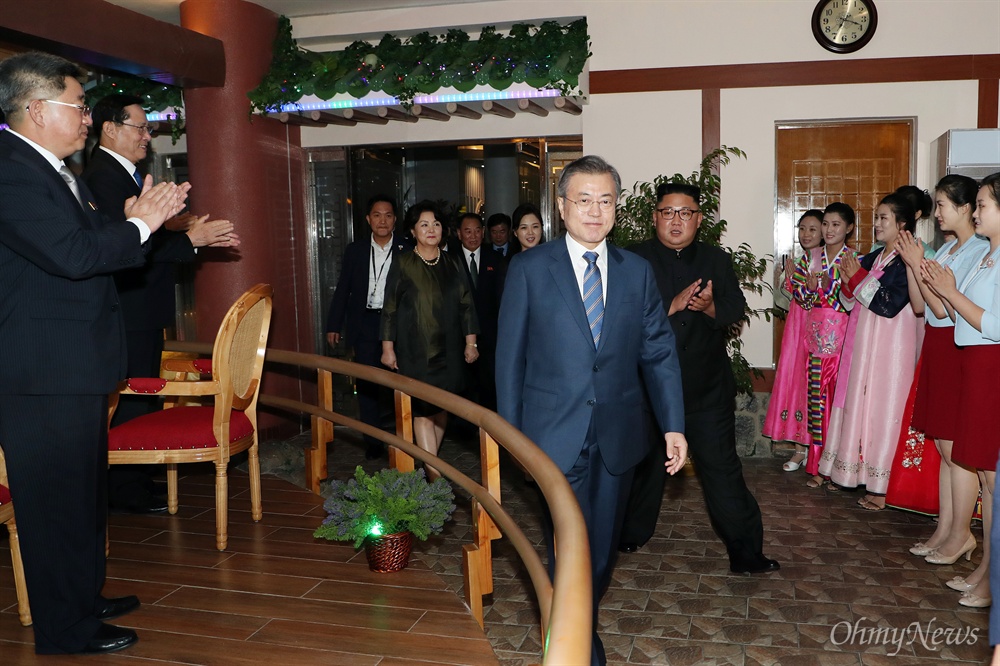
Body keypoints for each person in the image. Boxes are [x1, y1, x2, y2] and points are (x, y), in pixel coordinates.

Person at [0, 51, 187, 654]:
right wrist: (140, 227)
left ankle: (82, 597)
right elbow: (74, 257)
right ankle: (65, 628)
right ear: (35, 110)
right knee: (53, 505)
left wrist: (132, 223)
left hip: (71, 362)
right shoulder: (9, 168)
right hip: (39, 369)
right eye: (77, 106)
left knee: (81, 495)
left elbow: (85, 243)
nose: (87, 117)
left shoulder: (51, 165)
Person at [496, 156, 687, 666]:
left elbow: (659, 352)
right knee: (568, 547)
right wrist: (511, 435)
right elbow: (509, 359)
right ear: (561, 207)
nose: (595, 211)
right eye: (583, 200)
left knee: (600, 554)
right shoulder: (530, 269)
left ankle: (580, 623)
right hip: (553, 435)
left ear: (617, 208)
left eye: (606, 201)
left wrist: (673, 425)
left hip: (618, 437)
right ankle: (577, 644)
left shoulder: (636, 272)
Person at [82, 94, 238, 513]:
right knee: (132, 395)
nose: (147, 137)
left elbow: (145, 237)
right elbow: (128, 244)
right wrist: (189, 240)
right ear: (110, 129)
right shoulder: (103, 178)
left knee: (143, 394)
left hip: (141, 307)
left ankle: (137, 478)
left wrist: (184, 233)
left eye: (148, 129)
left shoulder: (126, 174)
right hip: (126, 307)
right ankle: (123, 489)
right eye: (140, 127)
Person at [621, 181, 778, 575]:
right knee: (643, 468)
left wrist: (708, 308)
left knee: (722, 470)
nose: (676, 221)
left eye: (685, 213)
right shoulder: (631, 259)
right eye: (668, 212)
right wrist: (669, 307)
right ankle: (630, 532)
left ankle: (745, 551)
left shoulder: (716, 259)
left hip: (706, 388)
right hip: (647, 389)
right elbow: (619, 319)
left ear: (699, 219)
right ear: (655, 216)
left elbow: (735, 308)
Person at [921, 172, 1000, 608]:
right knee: (987, 477)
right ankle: (987, 568)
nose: (978, 209)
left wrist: (950, 291)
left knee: (992, 474)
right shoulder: (989, 255)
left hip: (991, 365)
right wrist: (939, 285)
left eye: (984, 203)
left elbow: (993, 323)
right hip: (974, 364)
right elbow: (941, 311)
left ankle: (992, 573)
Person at [891, 176, 986, 536]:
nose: (939, 213)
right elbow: (920, 306)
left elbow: (946, 310)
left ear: (965, 209)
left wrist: (917, 264)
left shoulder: (977, 252)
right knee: (944, 450)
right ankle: (945, 530)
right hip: (936, 343)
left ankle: (957, 534)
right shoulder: (946, 250)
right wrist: (912, 263)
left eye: (945, 205)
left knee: (955, 452)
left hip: (954, 344)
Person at [819, 194, 922, 510]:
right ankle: (861, 474)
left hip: (893, 346)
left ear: (902, 224)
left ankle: (883, 485)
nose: (876, 224)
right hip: (865, 342)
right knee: (863, 404)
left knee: (885, 406)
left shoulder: (907, 260)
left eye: (884, 218)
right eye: (876, 217)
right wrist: (849, 281)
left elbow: (890, 305)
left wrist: (856, 278)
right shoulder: (873, 257)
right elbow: (850, 302)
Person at [381, 201, 478, 480]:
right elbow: (390, 307)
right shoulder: (403, 262)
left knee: (441, 407)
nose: (431, 229)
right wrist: (387, 348)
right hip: (415, 349)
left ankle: (430, 463)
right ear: (413, 231)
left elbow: (466, 305)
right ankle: (435, 474)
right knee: (423, 409)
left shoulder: (452, 262)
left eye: (435, 224)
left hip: (449, 349)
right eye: (424, 224)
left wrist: (471, 343)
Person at [326, 195, 411, 459]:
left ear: (395, 219)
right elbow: (343, 290)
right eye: (377, 215)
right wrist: (334, 324)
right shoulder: (356, 250)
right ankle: (373, 442)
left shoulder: (407, 249)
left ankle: (404, 441)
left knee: (400, 385)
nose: (382, 220)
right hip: (365, 323)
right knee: (367, 385)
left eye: (387, 215)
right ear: (368, 219)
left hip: (398, 326)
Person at [794, 203, 857, 488]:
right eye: (826, 224)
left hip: (844, 339)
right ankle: (819, 465)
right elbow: (803, 301)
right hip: (816, 339)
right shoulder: (811, 258)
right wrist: (808, 290)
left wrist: (830, 288)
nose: (829, 230)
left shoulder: (854, 259)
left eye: (836, 225)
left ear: (849, 229)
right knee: (817, 402)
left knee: (841, 404)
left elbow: (850, 303)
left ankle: (840, 467)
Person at [764, 210, 823, 470]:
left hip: (822, 332)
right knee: (798, 384)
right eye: (802, 229)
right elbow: (785, 302)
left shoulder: (832, 261)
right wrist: (788, 280)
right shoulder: (798, 263)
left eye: (812, 229)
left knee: (819, 388)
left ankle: (821, 450)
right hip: (796, 331)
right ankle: (800, 448)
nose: (806, 234)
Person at [456, 213, 504, 410]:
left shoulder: (496, 259)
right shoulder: (450, 260)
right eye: (468, 231)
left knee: (490, 388)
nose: (473, 236)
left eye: (477, 231)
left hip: (490, 337)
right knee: (463, 388)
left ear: (483, 233)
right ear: (459, 234)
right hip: (460, 336)